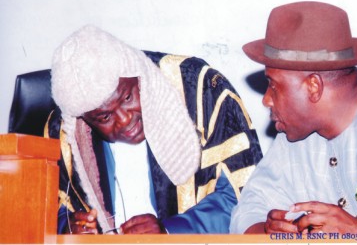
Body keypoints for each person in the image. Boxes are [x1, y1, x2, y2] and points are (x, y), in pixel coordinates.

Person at [45, 25, 262, 234]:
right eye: (105, 117)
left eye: (128, 97)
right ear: (85, 121)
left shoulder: (200, 90)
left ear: (138, 76)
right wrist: (69, 227)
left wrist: (170, 231)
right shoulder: (65, 130)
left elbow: (244, 196)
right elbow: (47, 207)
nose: (125, 119)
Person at [230, 1, 357, 236]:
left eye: (273, 86)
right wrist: (268, 230)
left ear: (313, 86)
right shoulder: (292, 138)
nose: (266, 100)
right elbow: (247, 212)